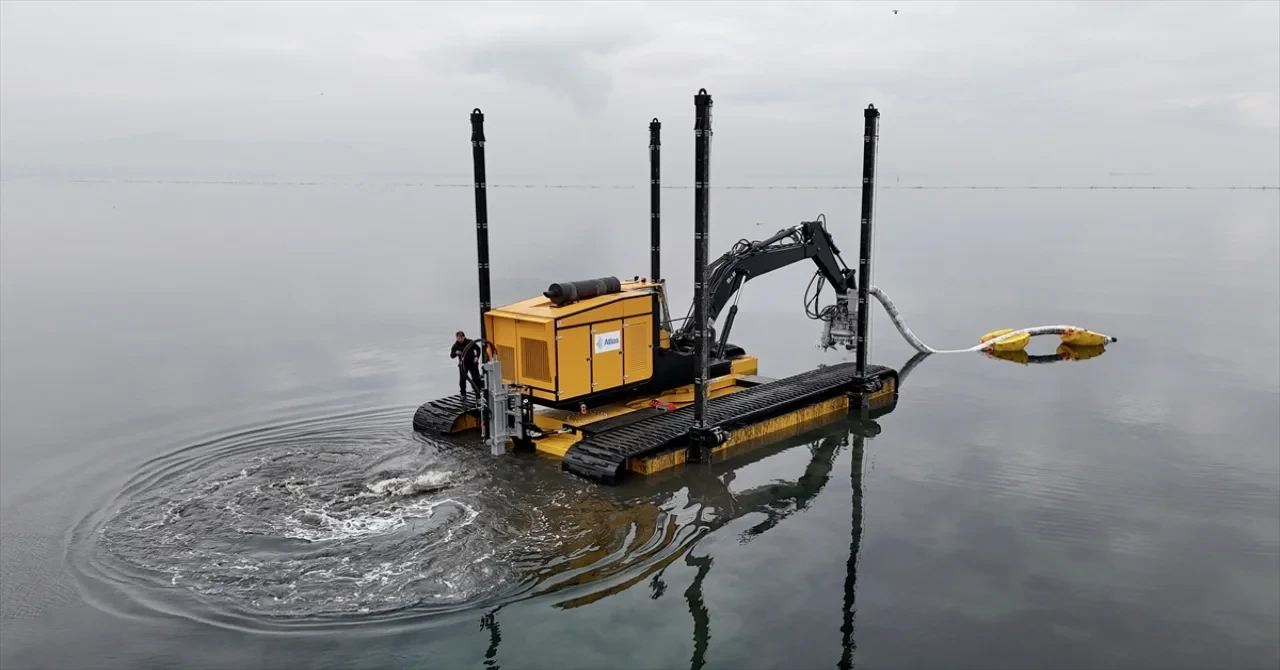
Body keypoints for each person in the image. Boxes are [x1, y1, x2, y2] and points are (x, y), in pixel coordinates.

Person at [451, 330, 482, 399]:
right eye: (458, 338)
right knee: (462, 380)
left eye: (461, 338)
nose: (460, 339)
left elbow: (478, 349)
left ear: (464, 337)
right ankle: (463, 394)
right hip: (463, 365)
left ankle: (478, 392)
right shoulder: (455, 345)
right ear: (456, 338)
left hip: (472, 363)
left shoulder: (470, 342)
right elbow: (452, 356)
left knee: (476, 378)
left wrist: (477, 356)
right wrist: (456, 353)